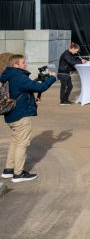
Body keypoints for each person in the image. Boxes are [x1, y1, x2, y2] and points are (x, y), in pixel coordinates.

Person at [0, 54, 56, 183]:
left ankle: (9, 170)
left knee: (15, 141)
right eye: (23, 62)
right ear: (15, 65)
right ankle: (18, 174)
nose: (25, 64)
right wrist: (52, 78)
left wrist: (31, 99)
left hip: (11, 114)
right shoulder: (19, 77)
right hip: (20, 115)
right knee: (22, 144)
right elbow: (40, 87)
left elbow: (22, 90)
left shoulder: (8, 75)